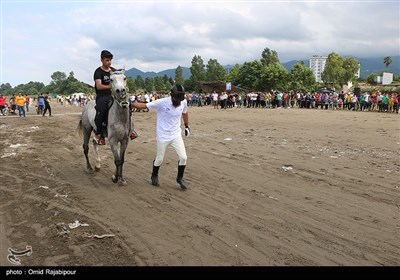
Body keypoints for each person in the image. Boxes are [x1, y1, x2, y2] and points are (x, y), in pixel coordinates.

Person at [131, 85, 190, 190]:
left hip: (176, 134)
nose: (179, 101)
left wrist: (186, 126)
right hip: (163, 135)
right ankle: (154, 175)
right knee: (159, 159)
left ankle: (180, 178)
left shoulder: (183, 102)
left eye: (180, 99)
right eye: (177, 99)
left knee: (183, 157)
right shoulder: (162, 102)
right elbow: (144, 106)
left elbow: (185, 113)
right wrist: (130, 104)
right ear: (172, 96)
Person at [93, 50, 137, 145]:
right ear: (102, 60)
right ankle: (99, 133)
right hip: (102, 96)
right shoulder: (98, 72)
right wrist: (111, 86)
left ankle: (131, 129)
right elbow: (99, 86)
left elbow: (120, 80)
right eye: (107, 60)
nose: (109, 62)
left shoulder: (113, 70)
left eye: (110, 60)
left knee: (127, 104)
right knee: (101, 109)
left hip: (114, 95)